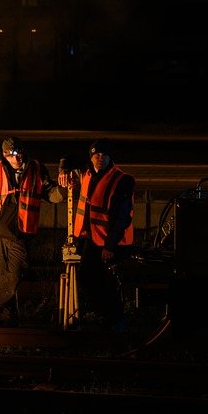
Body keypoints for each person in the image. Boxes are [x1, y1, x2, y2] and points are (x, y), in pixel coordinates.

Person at [0, 135, 63, 325]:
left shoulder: (36, 169)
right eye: (12, 153)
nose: (17, 156)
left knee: (15, 275)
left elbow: (51, 194)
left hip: (21, 232)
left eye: (19, 152)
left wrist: (64, 190)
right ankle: (4, 318)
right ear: (5, 155)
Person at [58, 138, 135, 330]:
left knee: (95, 278)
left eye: (104, 155)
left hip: (111, 242)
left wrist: (110, 246)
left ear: (110, 158)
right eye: (96, 154)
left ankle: (114, 319)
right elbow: (69, 158)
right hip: (90, 237)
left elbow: (122, 217)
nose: (99, 158)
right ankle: (111, 318)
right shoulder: (87, 173)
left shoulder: (122, 180)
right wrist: (62, 169)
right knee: (94, 279)